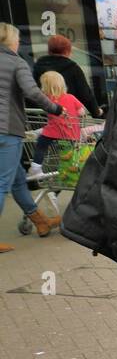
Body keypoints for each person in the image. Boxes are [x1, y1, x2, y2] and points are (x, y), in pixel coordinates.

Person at [0, 22, 63, 251]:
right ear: (12, 42)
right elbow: (31, 91)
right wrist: (55, 109)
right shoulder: (16, 62)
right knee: (2, 184)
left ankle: (41, 222)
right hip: (6, 130)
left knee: (16, 178)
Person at [30, 71, 85, 177]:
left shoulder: (47, 100)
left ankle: (36, 167)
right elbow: (81, 112)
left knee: (41, 146)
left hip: (51, 132)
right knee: (67, 157)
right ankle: (69, 171)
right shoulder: (71, 97)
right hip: (70, 134)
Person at [33, 34, 101, 118]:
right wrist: (96, 112)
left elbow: (33, 90)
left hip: (43, 115)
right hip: (67, 116)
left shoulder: (38, 66)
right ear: (67, 51)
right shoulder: (73, 68)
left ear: (49, 50)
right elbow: (85, 94)